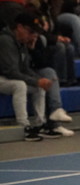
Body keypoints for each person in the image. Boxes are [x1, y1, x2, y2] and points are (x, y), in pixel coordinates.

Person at [0, 12, 74, 140]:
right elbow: (10, 71)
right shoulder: (5, 40)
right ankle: (23, 126)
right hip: (2, 76)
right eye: (30, 32)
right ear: (19, 27)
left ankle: (40, 124)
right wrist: (35, 81)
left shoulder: (21, 43)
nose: (32, 36)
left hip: (7, 77)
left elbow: (25, 68)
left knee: (39, 87)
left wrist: (39, 80)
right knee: (20, 85)